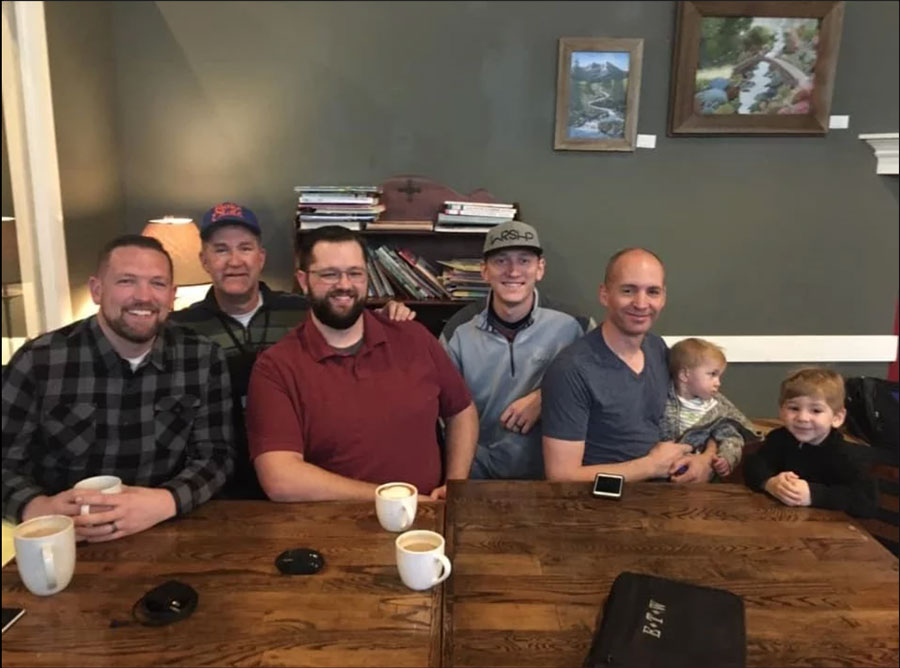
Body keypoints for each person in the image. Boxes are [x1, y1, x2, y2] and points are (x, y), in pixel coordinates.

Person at [169, 202, 414, 498]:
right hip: (217, 479)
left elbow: (350, 317)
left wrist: (389, 314)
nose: (234, 261)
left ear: (261, 257)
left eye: (245, 248)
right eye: (221, 250)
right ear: (204, 260)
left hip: (300, 469)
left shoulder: (303, 310)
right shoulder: (181, 329)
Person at [2, 235, 233, 541]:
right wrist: (38, 508)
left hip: (165, 529)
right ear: (97, 290)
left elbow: (217, 455)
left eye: (158, 283)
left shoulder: (203, 358)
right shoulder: (39, 361)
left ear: (173, 295)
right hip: (65, 536)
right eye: (127, 281)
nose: (144, 296)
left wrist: (167, 501)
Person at [245, 225, 479, 501]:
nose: (344, 285)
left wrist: (455, 484)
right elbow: (280, 479)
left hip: (426, 519)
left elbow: (462, 412)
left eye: (355, 273)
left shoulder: (414, 338)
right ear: (304, 280)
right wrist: (393, 499)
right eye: (329, 274)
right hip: (329, 527)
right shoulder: (276, 367)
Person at [440, 220, 594, 479]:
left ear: (540, 268)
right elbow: (445, 413)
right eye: (501, 261)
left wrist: (545, 396)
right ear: (484, 271)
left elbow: (602, 382)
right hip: (477, 474)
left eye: (524, 261)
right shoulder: (457, 332)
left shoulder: (576, 324)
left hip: (553, 475)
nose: (513, 271)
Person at [541, 248, 694, 482]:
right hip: (600, 502)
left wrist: (704, 461)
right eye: (628, 290)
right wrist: (651, 467)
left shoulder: (657, 348)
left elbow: (705, 408)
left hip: (665, 495)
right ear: (604, 294)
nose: (641, 303)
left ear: (663, 297)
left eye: (652, 292)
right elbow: (562, 476)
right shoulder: (571, 370)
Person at [744, 368, 878, 517]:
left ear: (837, 417)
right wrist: (770, 483)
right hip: (779, 523)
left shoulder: (843, 454)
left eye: (816, 410)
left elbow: (866, 501)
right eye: (794, 408)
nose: (802, 417)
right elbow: (754, 465)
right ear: (781, 411)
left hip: (829, 533)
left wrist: (813, 494)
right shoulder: (779, 439)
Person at [661, 337, 756, 481]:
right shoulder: (661, 401)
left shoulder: (716, 409)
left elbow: (731, 437)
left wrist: (726, 458)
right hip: (660, 474)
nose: (718, 383)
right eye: (712, 374)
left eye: (719, 376)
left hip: (699, 478)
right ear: (684, 375)